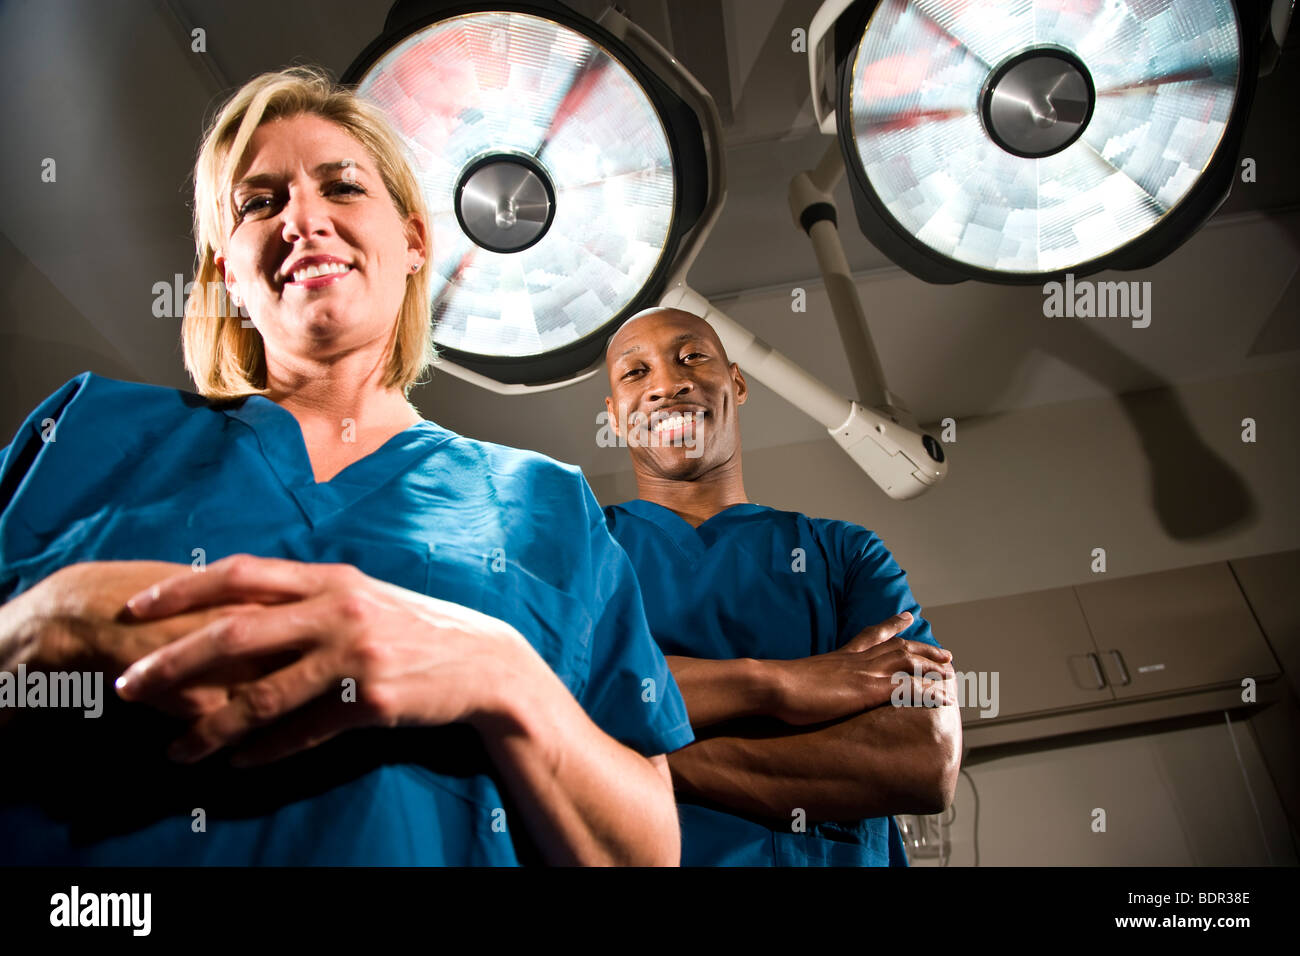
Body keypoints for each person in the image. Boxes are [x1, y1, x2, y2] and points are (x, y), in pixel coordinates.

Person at [0, 66, 692, 866]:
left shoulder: (545, 506)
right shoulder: (83, 429)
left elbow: (647, 854)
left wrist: (501, 674)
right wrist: (36, 626)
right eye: (259, 203)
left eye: (342, 187)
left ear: (414, 243)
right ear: (229, 271)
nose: (302, 218)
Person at [601, 306, 961, 866]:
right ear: (615, 415)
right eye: (635, 372)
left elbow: (923, 760)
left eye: (692, 356)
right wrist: (789, 683)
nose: (668, 384)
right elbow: (549, 692)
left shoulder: (846, 554)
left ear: (737, 383)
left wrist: (635, 755)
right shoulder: (582, 547)